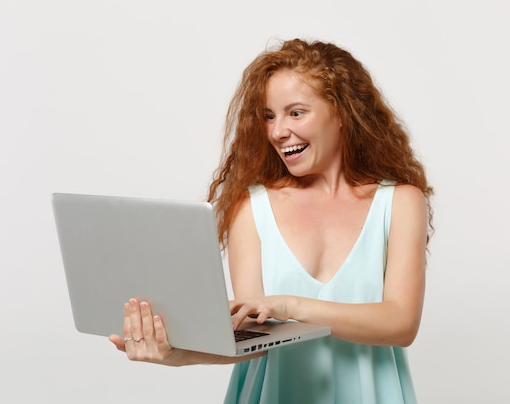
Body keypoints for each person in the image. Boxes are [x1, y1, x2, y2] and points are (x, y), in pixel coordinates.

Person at [109, 38, 433, 404]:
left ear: (342, 113)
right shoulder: (251, 208)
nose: (278, 131)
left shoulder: (401, 202)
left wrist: (290, 306)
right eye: (269, 116)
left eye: (296, 113)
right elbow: (254, 341)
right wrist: (175, 354)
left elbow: (400, 323)